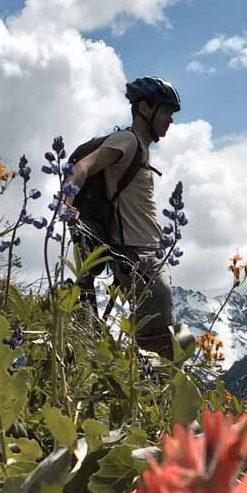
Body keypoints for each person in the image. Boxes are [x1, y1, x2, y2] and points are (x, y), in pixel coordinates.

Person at [64, 77, 181, 359]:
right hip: (135, 256)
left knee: (165, 336)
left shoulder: (140, 147)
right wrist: (65, 202)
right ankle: (157, 392)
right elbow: (84, 166)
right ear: (145, 108)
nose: (170, 120)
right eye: (166, 112)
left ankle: (147, 383)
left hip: (148, 253)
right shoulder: (127, 140)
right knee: (165, 342)